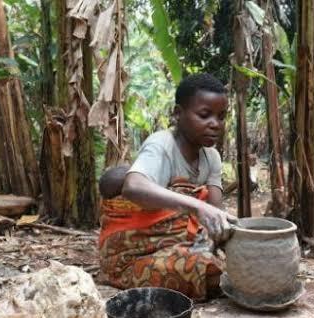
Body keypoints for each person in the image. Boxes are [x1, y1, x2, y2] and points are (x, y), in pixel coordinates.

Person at [98, 73, 238, 300]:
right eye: (204, 115)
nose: (215, 124)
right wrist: (196, 206)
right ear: (178, 114)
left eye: (221, 117)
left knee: (235, 265)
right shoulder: (161, 145)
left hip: (180, 246)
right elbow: (133, 187)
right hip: (134, 255)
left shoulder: (211, 157)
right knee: (212, 274)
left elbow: (216, 214)